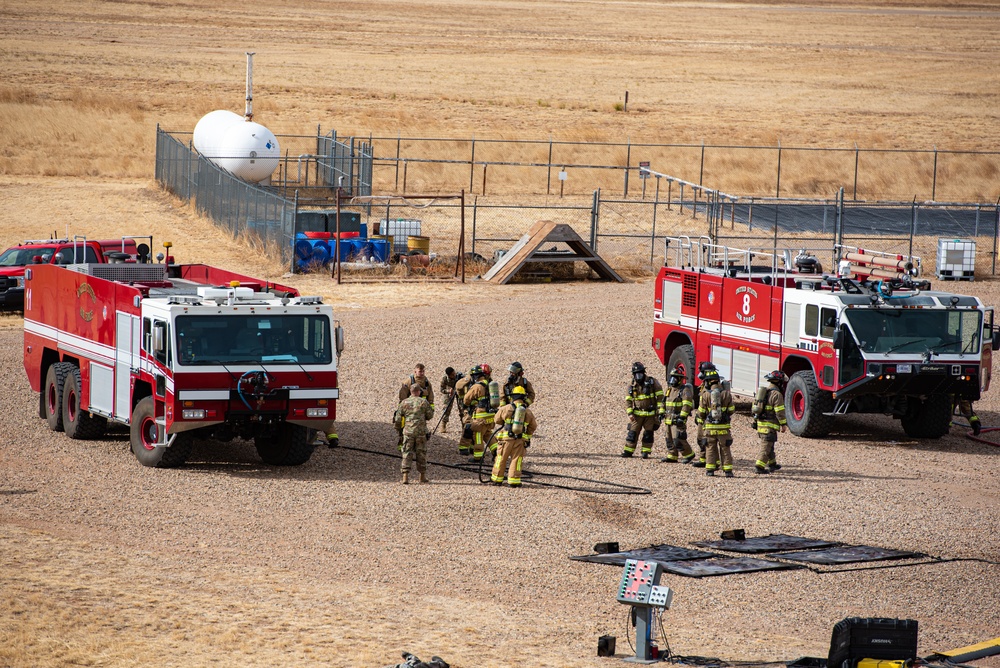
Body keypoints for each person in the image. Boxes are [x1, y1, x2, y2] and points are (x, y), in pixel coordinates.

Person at [491, 385, 537, 488]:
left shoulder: (506, 408)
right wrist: (527, 437)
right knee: (516, 459)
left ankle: (497, 479)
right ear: (523, 397)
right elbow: (533, 426)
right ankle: (514, 481)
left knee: (501, 458)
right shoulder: (527, 411)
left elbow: (497, 420)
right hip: (520, 440)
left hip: (505, 440)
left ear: (513, 397)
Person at [696, 368, 735, 477]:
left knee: (710, 448)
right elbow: (731, 410)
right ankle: (728, 471)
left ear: (708, 382)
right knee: (725, 448)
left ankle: (710, 470)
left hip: (710, 428)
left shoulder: (705, 395)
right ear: (718, 381)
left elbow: (701, 412)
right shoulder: (726, 394)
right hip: (723, 428)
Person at [394, 383, 434, 484]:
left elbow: (397, 419)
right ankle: (422, 476)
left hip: (408, 432)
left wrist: (399, 430)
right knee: (421, 453)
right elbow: (430, 415)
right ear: (419, 391)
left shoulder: (404, 402)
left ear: (411, 392)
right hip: (420, 432)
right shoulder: (423, 402)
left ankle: (405, 476)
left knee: (407, 452)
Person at [623, 362, 665, 459]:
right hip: (637, 414)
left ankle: (645, 452)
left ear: (644, 373)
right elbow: (628, 400)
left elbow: (660, 397)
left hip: (650, 414)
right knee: (632, 433)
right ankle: (628, 451)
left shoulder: (652, 382)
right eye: (636, 374)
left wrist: (659, 410)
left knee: (648, 434)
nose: (639, 376)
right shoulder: (631, 386)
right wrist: (630, 413)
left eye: (640, 373)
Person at [752, 370, 788, 474]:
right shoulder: (777, 394)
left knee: (770, 445)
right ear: (778, 382)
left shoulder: (763, 393)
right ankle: (759, 467)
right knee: (766, 446)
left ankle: (772, 464)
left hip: (760, 424)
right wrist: (783, 424)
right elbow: (779, 411)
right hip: (769, 426)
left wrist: (755, 422)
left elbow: (755, 409)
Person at [660, 366, 695, 463]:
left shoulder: (684, 390)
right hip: (668, 419)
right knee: (669, 438)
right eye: (672, 377)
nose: (672, 380)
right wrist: (661, 412)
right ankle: (672, 455)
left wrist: (682, 416)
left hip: (677, 419)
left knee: (678, 438)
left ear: (680, 379)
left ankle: (688, 454)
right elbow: (664, 402)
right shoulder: (669, 389)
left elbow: (687, 404)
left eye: (675, 378)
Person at [463, 363, 497, 462]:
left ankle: (478, 457)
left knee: (477, 435)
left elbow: (466, 400)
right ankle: (496, 452)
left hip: (480, 416)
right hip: (490, 415)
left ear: (476, 376)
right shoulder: (489, 384)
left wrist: (473, 402)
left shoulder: (477, 386)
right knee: (487, 434)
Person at [397, 363, 435, 448]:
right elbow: (402, 396)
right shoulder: (408, 382)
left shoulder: (427, 382)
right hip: (409, 408)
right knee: (404, 426)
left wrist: (431, 407)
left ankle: (417, 445)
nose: (421, 373)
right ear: (415, 371)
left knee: (420, 427)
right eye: (420, 371)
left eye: (423, 371)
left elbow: (430, 395)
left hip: (421, 408)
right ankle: (402, 444)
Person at [690, 361, 717, 467]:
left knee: (709, 441)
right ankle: (703, 459)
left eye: (702, 372)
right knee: (701, 440)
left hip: (709, 419)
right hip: (702, 418)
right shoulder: (704, 385)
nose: (700, 374)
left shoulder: (712, 386)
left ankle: (712, 461)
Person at [454, 367, 476, 455]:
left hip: (475, 409)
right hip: (468, 408)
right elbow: (458, 386)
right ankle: (463, 448)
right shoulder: (466, 381)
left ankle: (472, 446)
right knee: (468, 426)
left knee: (474, 427)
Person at [438, 367, 464, 434]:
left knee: (462, 409)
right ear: (448, 375)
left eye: (454, 373)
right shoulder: (444, 379)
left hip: (459, 392)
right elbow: (441, 389)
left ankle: (464, 426)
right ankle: (443, 425)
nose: (454, 375)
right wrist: (448, 391)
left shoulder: (459, 376)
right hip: (449, 392)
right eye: (452, 374)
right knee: (446, 408)